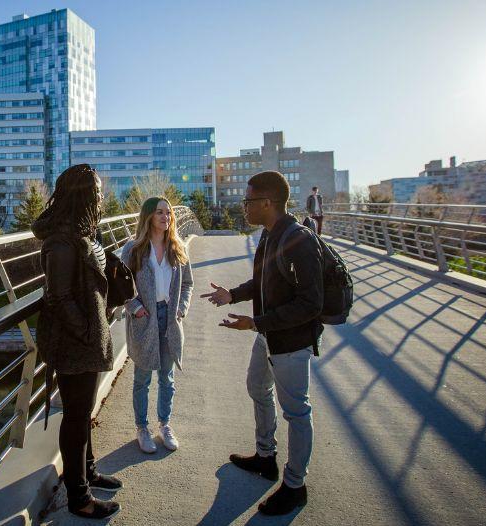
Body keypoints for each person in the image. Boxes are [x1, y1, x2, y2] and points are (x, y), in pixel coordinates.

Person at [203, 171, 323, 516]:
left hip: (292, 342)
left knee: (297, 412)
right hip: (268, 334)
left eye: (248, 201)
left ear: (267, 203)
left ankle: (295, 486)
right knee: (257, 387)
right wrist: (233, 295)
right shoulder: (269, 236)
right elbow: (263, 281)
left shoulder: (300, 239)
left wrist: (256, 322)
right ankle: (265, 456)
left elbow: (310, 303)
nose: (244, 207)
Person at [33, 164, 122, 520]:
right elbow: (59, 297)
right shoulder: (61, 241)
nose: (102, 196)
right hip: (74, 342)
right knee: (74, 417)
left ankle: (88, 471)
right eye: (97, 191)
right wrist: (87, 332)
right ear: (81, 194)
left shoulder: (84, 231)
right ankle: (79, 498)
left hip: (88, 337)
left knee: (83, 413)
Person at [120, 197, 193, 453]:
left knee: (167, 377)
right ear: (149, 216)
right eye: (160, 212)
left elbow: (187, 284)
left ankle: (165, 424)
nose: (166, 217)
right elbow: (122, 287)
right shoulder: (133, 249)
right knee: (142, 378)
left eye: (169, 213)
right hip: (145, 318)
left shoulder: (178, 247)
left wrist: (181, 309)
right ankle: (142, 428)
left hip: (170, 318)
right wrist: (136, 309)